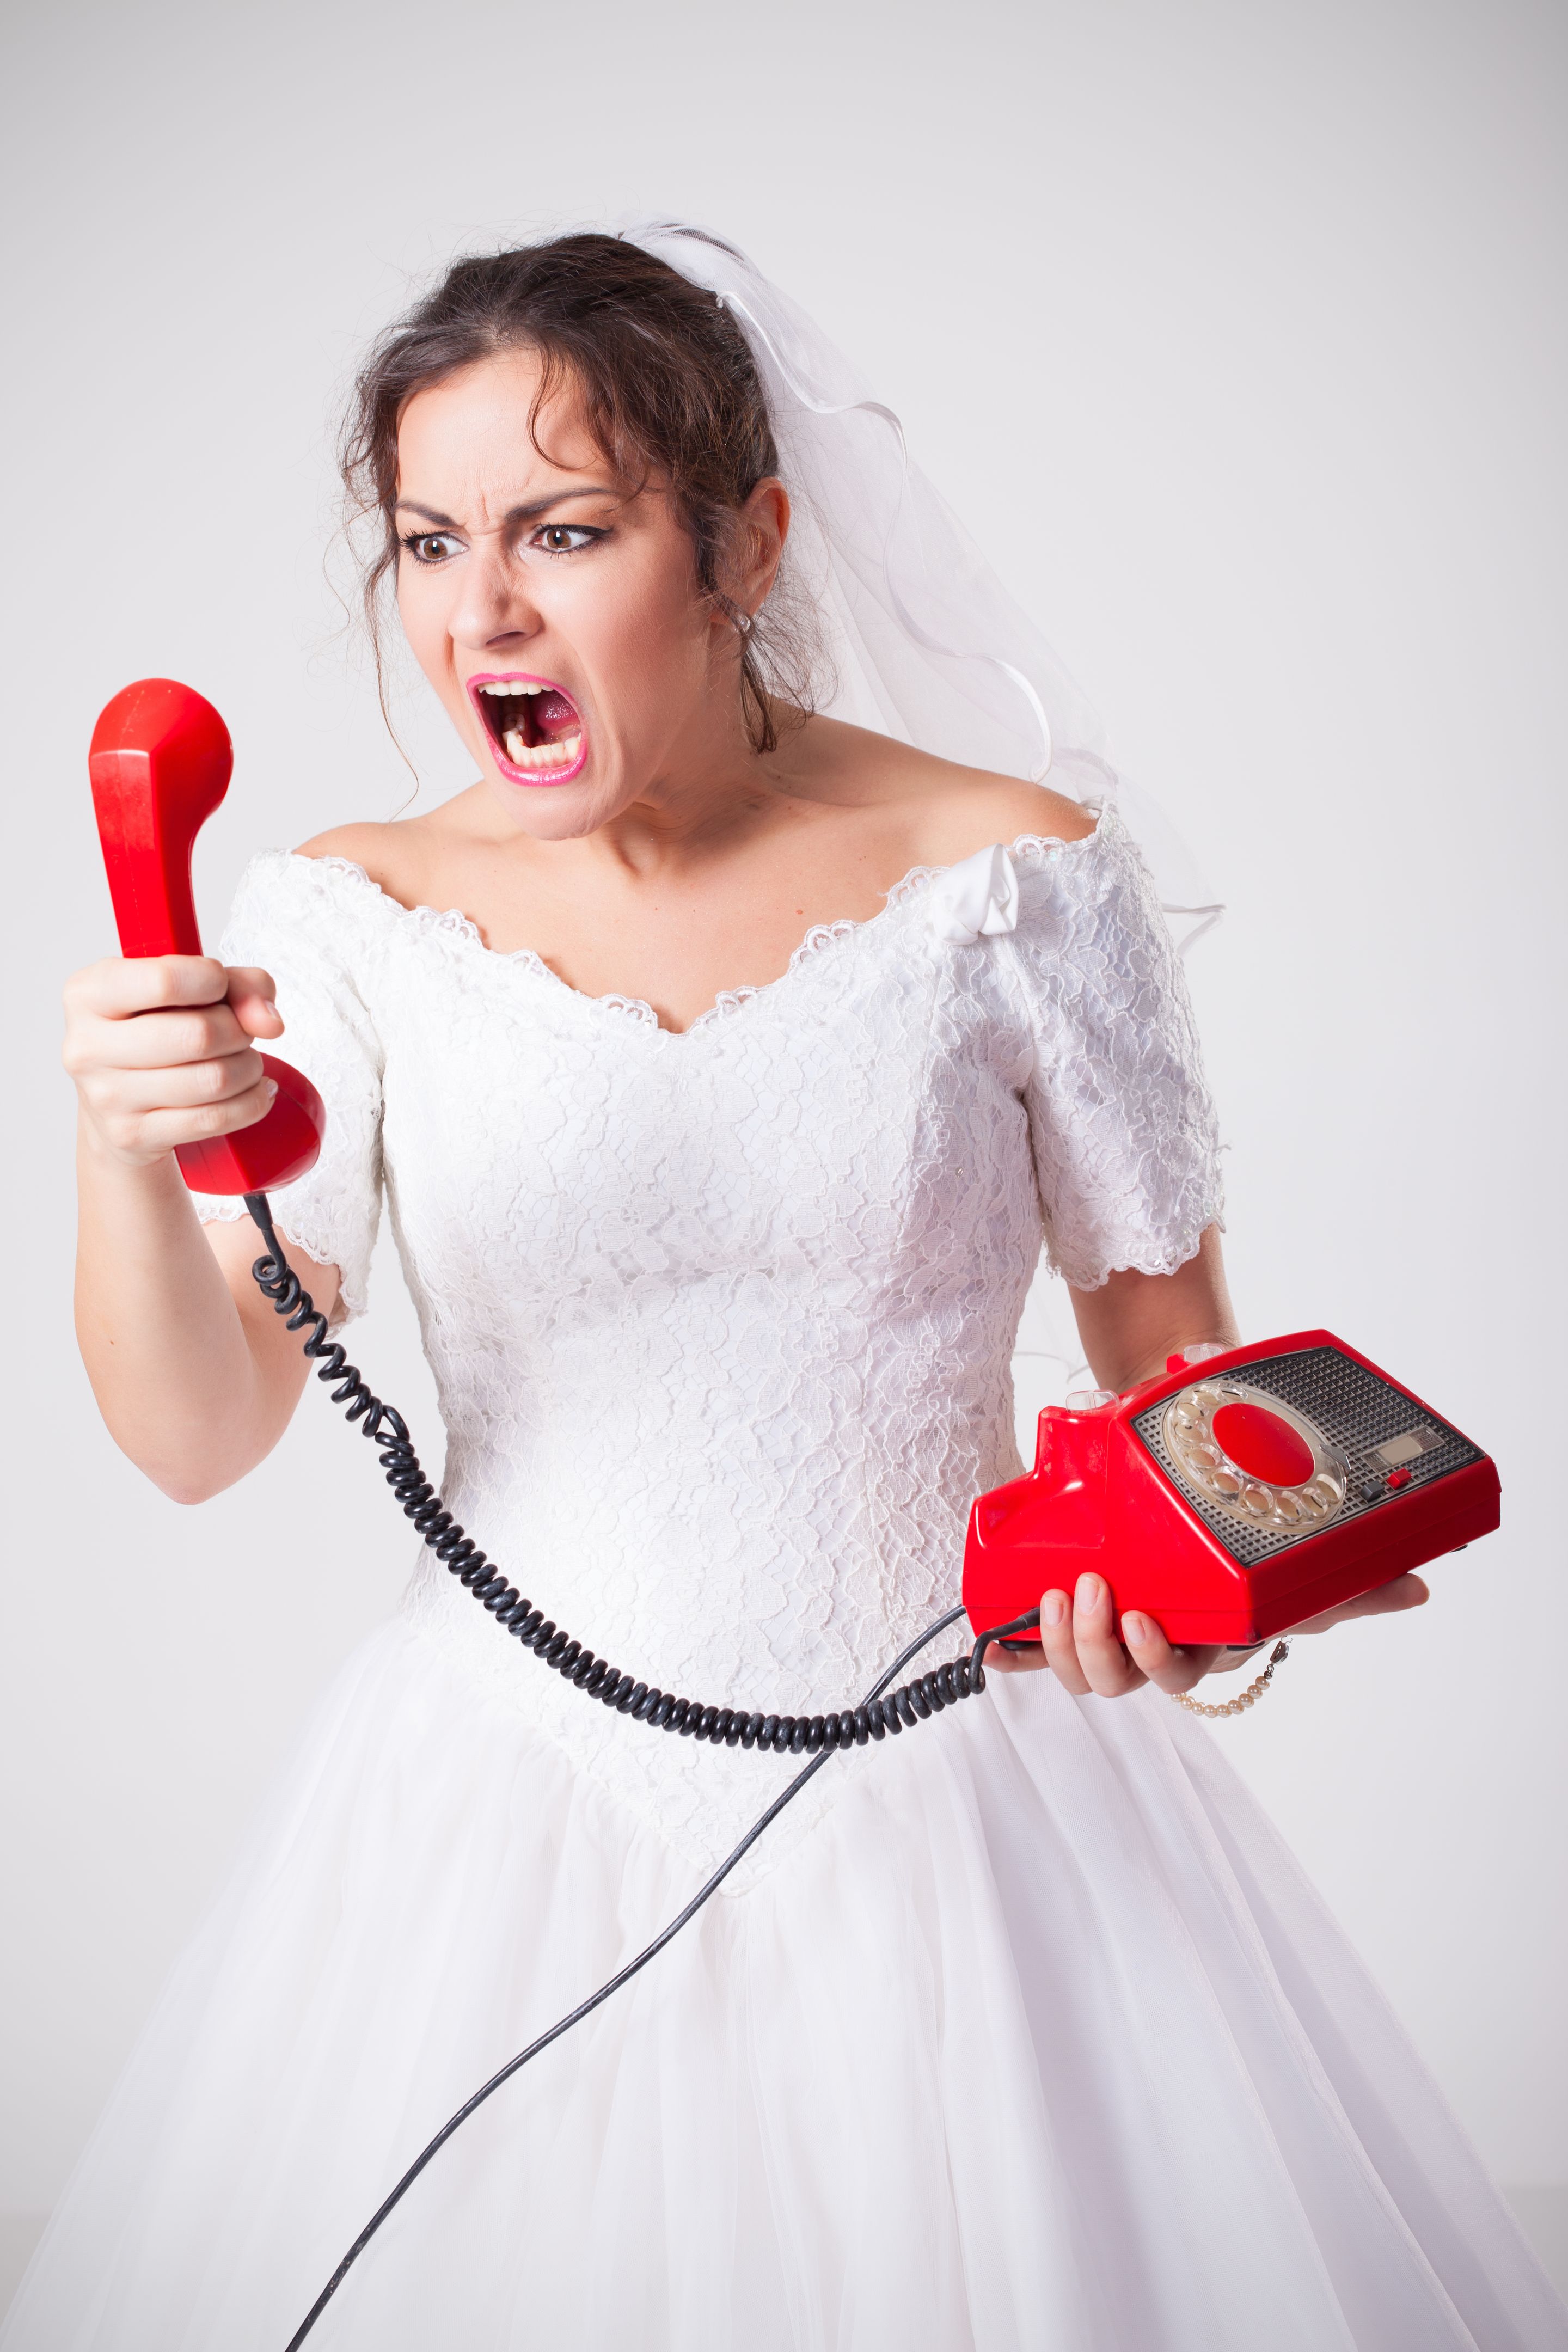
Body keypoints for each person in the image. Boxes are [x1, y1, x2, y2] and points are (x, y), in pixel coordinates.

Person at [18, 226, 1561, 2350]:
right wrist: (125, 1141)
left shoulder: (1016, 877)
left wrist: (1211, 1612)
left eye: (565, 532)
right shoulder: (353, 918)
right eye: (432, 543)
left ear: (745, 544)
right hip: (500, 1813)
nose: (482, 613)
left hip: (978, 1795)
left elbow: (1184, 1395)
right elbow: (201, 1438)